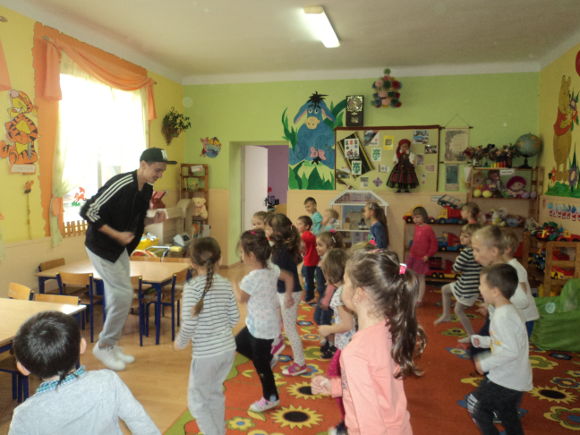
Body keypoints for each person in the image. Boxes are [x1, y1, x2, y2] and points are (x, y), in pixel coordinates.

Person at [80, 147, 176, 371]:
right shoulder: (121, 183)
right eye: (157, 169)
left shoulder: (146, 189)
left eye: (162, 171)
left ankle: (110, 345)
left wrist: (152, 220)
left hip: (119, 249)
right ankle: (104, 346)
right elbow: (88, 210)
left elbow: (135, 221)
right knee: (123, 294)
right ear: (143, 164)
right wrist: (115, 234)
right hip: (101, 247)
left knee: (119, 295)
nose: (160, 174)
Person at [311, 250, 426, 434]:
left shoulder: (355, 353)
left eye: (346, 282)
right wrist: (335, 386)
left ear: (359, 294)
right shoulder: (390, 327)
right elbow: (378, 386)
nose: (343, 287)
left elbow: (371, 425)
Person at [9, 311, 159, 435]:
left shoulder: (24, 415)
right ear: (82, 345)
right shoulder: (108, 381)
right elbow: (141, 423)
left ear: (22, 367)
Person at [174, 237, 239, 435]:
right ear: (220, 260)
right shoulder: (225, 284)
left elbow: (189, 324)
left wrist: (180, 342)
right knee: (214, 394)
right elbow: (235, 318)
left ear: (192, 263)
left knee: (197, 403)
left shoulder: (192, 288)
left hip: (206, 355)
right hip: (227, 350)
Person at [467, 264, 532, 435]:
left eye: (482, 284)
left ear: (495, 291)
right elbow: (505, 341)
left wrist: (485, 364)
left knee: (477, 406)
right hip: (516, 377)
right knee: (507, 413)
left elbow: (510, 351)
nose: (479, 288)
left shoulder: (502, 316)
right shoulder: (508, 311)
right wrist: (483, 341)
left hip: (506, 378)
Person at [234, 229, 286, 412]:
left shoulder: (251, 278)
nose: (241, 256)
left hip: (261, 329)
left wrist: (235, 284)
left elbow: (242, 299)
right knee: (238, 343)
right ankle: (269, 358)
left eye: (242, 252)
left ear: (251, 255)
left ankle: (271, 397)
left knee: (261, 365)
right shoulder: (272, 269)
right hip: (261, 322)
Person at [470, 225, 530, 359]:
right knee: (478, 350)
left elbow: (523, 301)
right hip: (495, 321)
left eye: (477, 250)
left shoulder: (505, 272)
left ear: (493, 251)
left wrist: (498, 300)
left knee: (483, 353)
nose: (474, 253)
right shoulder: (492, 269)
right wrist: (489, 304)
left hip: (507, 325)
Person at [264, 213, 308, 376]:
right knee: (275, 318)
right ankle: (276, 344)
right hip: (283, 291)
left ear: (277, 231)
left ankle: (300, 363)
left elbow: (286, 276)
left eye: (268, 228)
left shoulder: (281, 251)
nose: (266, 231)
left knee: (290, 329)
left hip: (289, 293)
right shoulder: (280, 247)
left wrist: (288, 295)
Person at [318, 248, 355, 435]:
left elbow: (347, 324)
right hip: (350, 346)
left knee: (337, 381)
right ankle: (347, 421)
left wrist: (328, 329)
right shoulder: (349, 288)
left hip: (347, 349)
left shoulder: (339, 295)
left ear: (329, 273)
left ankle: (348, 423)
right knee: (341, 381)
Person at [434, 223, 482, 344]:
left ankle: (471, 335)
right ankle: (446, 315)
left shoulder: (466, 252)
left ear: (474, 239)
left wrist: (456, 263)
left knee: (458, 310)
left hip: (467, 287)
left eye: (465, 236)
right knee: (445, 289)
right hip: (467, 284)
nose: (461, 237)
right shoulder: (478, 251)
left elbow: (456, 268)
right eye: (462, 234)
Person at [502, 229, 539, 337]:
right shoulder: (504, 266)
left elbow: (523, 294)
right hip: (515, 315)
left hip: (525, 317)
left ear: (507, 249)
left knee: (519, 344)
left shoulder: (515, 268)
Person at [315, 231, 345, 358]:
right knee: (319, 318)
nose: (317, 247)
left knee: (324, 319)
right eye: (317, 244)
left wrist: (325, 302)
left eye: (320, 245)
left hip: (328, 297)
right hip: (324, 295)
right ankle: (329, 341)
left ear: (330, 247)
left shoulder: (329, 263)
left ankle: (330, 345)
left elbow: (330, 285)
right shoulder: (324, 260)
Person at [406, 206, 438, 304]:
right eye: (414, 217)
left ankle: (419, 299)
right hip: (413, 256)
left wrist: (428, 255)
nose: (415, 219)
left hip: (422, 258)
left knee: (421, 278)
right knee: (410, 274)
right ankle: (412, 294)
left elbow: (434, 245)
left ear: (424, 217)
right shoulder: (416, 227)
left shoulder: (428, 228)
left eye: (418, 217)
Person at [296, 215, 319, 303]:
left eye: (300, 224)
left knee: (308, 280)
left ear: (307, 226)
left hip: (310, 261)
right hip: (309, 260)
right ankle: (310, 295)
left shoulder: (306, 235)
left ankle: (309, 297)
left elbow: (300, 242)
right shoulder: (307, 235)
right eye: (297, 224)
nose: (297, 226)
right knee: (308, 279)